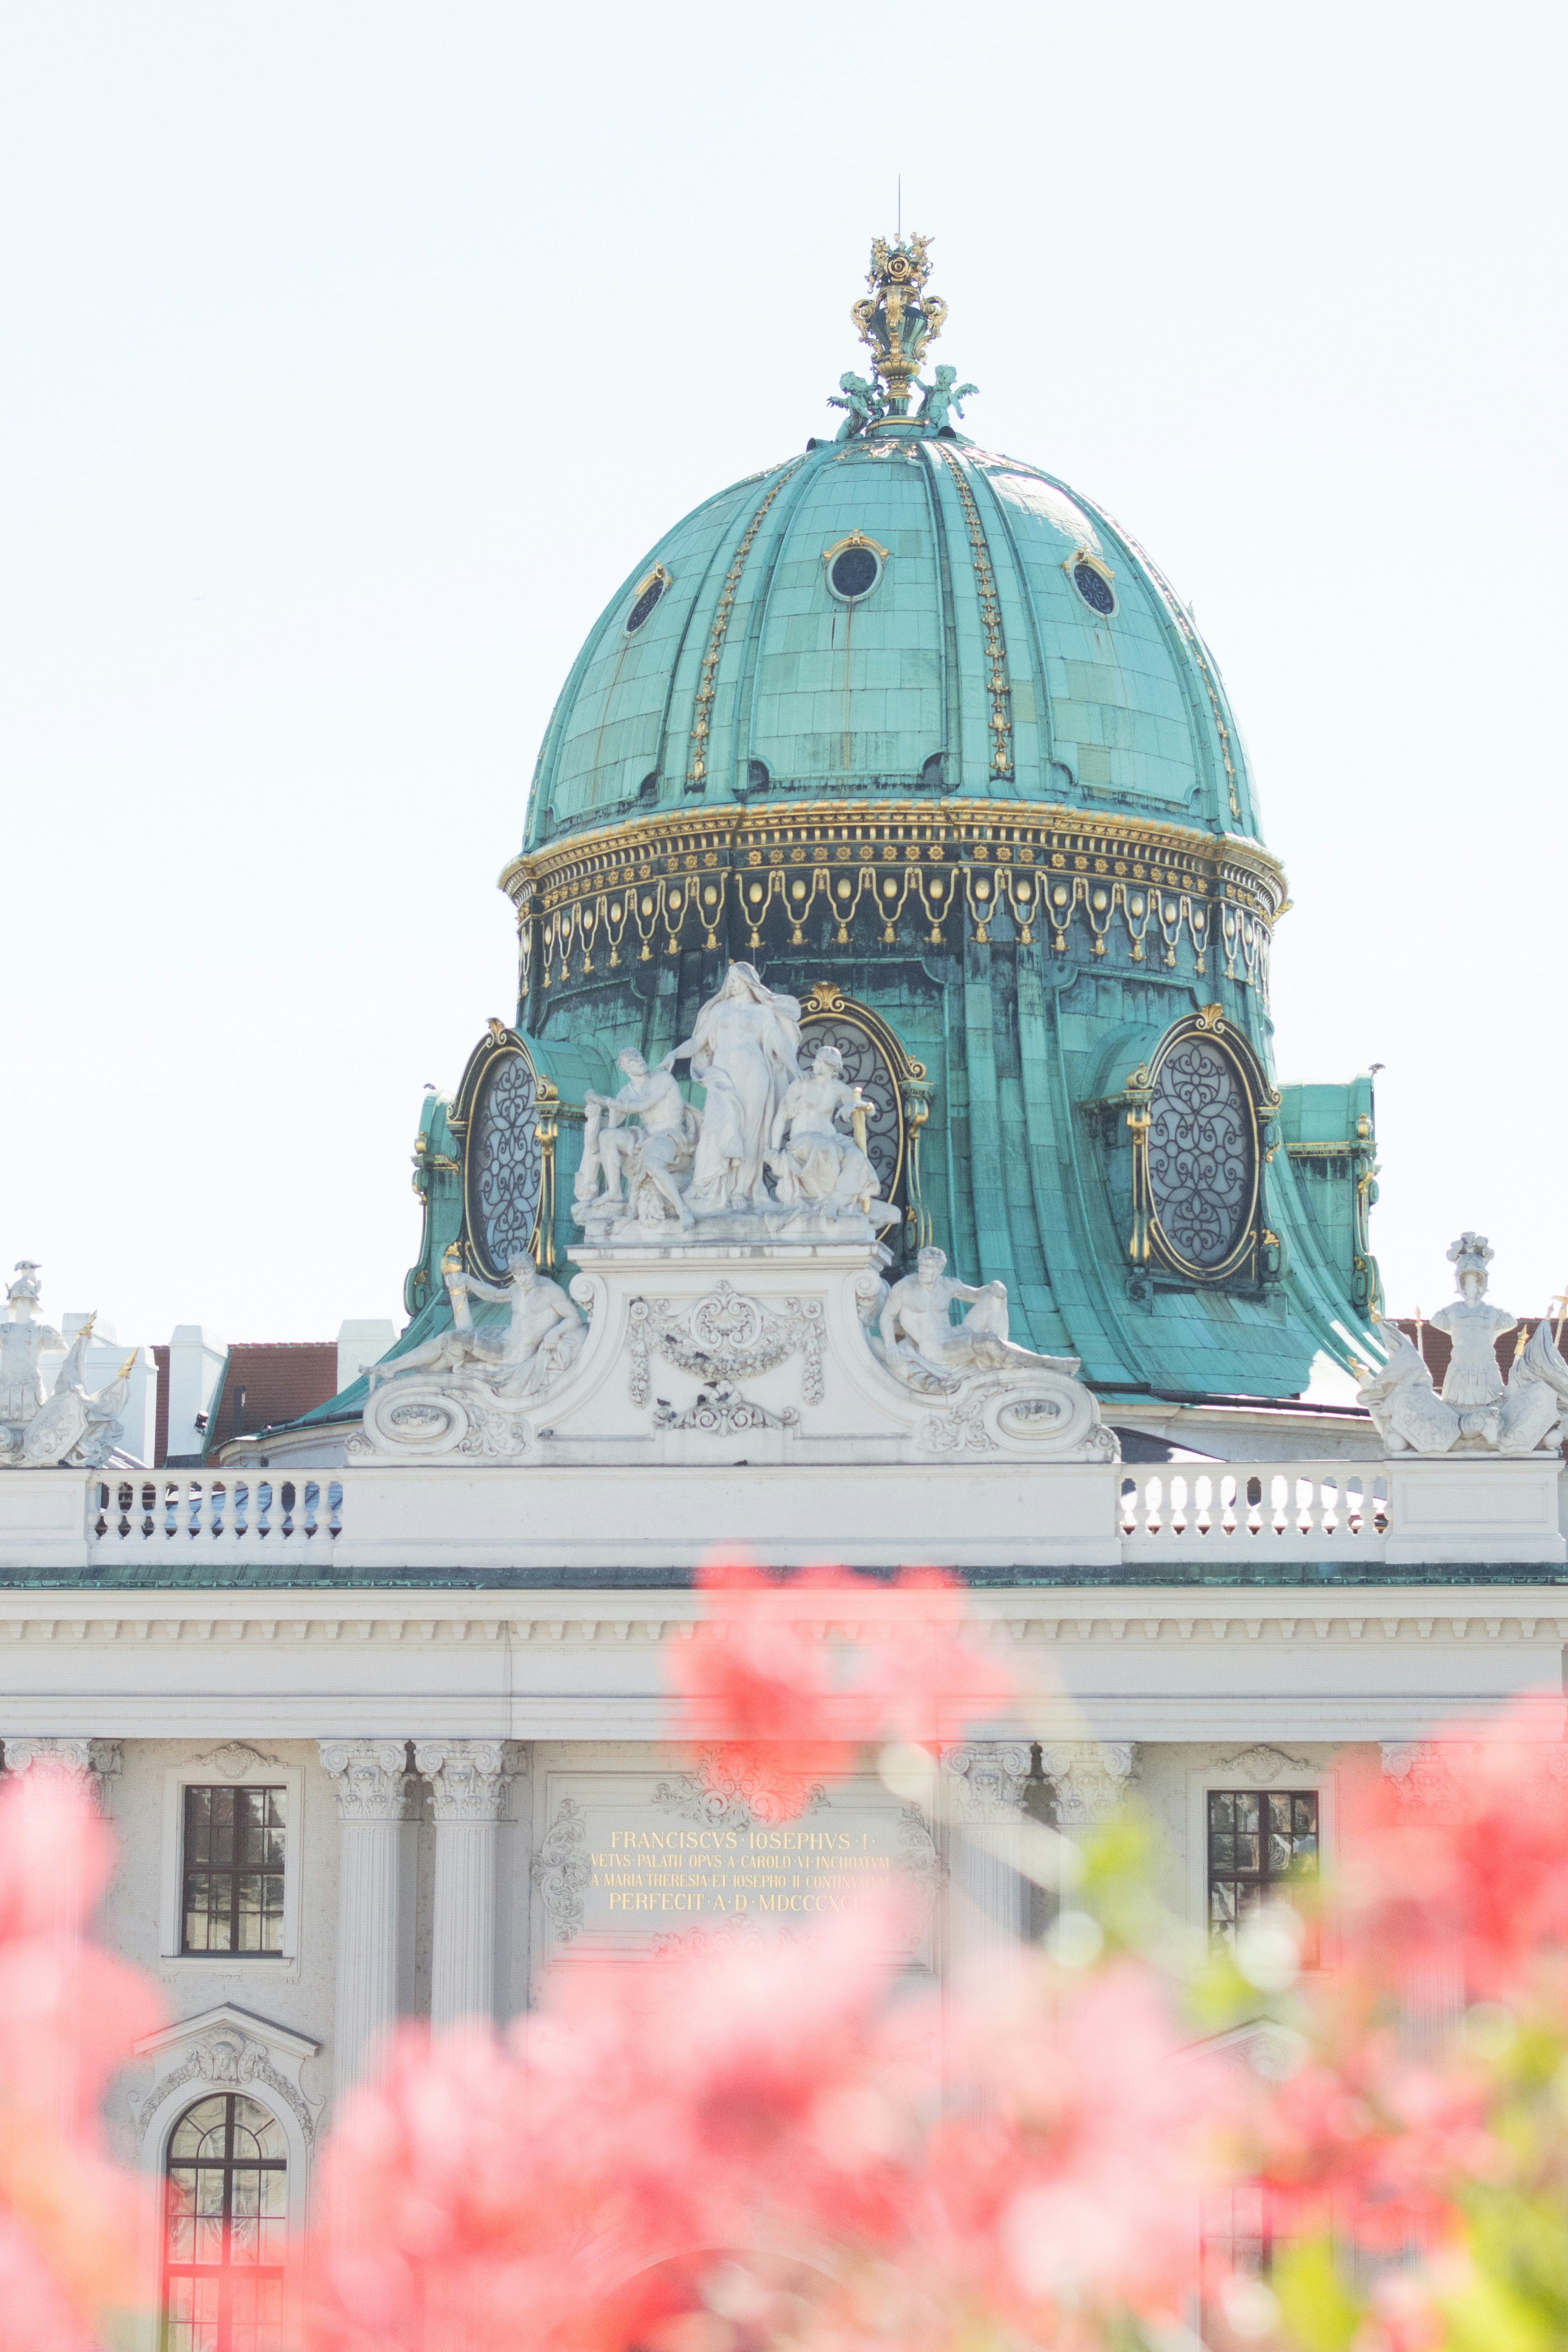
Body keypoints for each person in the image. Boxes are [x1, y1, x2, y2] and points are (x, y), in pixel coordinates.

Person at [665, 964, 802, 1215]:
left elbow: (777, 1042)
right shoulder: (720, 1009)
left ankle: (742, 1190)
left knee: (752, 1132)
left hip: (755, 1075)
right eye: (730, 980)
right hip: (722, 1076)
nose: (732, 984)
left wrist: (795, 1069)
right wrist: (675, 1054)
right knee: (715, 1128)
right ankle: (707, 1186)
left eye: (737, 979)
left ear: (750, 982)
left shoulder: (763, 1013)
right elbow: (698, 1041)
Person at [878, 1247, 1077, 1385]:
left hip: (954, 1335)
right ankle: (1045, 1363)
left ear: (939, 1269)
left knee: (995, 1296)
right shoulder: (906, 1287)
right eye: (921, 1265)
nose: (923, 1270)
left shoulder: (948, 1284)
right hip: (935, 1348)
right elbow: (887, 1318)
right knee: (987, 1342)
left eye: (929, 1267)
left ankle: (1003, 1354)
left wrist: (995, 1286)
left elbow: (976, 1295)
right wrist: (891, 1347)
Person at [766, 1045, 897, 1229]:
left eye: (819, 1061)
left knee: (855, 1156)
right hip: (803, 1141)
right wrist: (773, 1148)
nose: (813, 1064)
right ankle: (831, 1202)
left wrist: (850, 1106)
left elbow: (869, 1108)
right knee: (827, 1151)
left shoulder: (838, 1089)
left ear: (830, 1067)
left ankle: (837, 1202)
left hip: (830, 1139)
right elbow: (781, 1116)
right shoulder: (802, 1083)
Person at [578, 1050, 699, 1229]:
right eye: (632, 1060)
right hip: (647, 1137)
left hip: (671, 1136)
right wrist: (593, 1114)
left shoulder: (662, 1079)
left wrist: (602, 1100)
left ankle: (683, 1210)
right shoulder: (627, 1092)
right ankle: (615, 1192)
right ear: (624, 1068)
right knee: (607, 1136)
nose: (640, 1061)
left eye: (640, 1057)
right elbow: (611, 1125)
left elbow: (641, 1105)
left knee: (651, 1164)